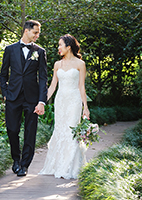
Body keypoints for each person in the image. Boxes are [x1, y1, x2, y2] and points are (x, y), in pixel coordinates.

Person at [0, 20, 48, 177]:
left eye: (38, 33)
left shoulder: (40, 52)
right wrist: (5, 92)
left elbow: (42, 78)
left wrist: (41, 100)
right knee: (12, 130)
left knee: (30, 131)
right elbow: (3, 74)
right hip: (13, 96)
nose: (37, 35)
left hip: (32, 98)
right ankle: (16, 158)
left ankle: (25, 164)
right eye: (35, 32)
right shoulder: (10, 49)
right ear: (26, 31)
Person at [39, 34, 90, 179]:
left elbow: (82, 87)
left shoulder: (80, 64)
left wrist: (85, 106)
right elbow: (53, 86)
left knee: (71, 131)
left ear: (69, 46)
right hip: (60, 101)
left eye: (60, 45)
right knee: (60, 130)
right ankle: (57, 165)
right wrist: (42, 102)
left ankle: (70, 167)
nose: (58, 48)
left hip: (74, 101)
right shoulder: (57, 64)